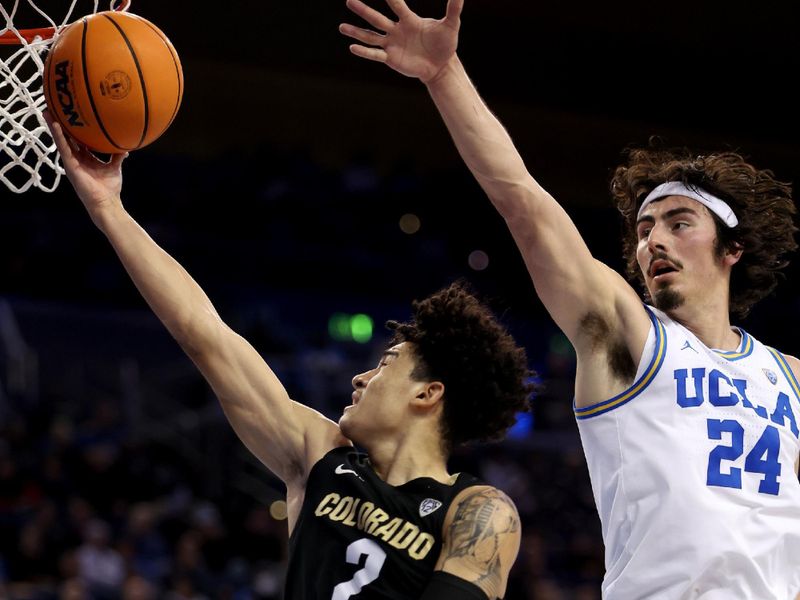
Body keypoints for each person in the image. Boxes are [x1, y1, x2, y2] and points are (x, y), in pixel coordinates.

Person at [339, 0, 800, 598]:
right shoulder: (630, 335)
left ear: (731, 247)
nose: (653, 239)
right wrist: (444, 75)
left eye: (678, 222)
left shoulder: (787, 376)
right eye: (643, 229)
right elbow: (524, 205)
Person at [44, 112, 535, 599]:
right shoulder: (319, 455)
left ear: (428, 393)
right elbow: (206, 335)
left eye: (385, 364)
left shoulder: (476, 509)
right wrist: (110, 210)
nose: (360, 379)